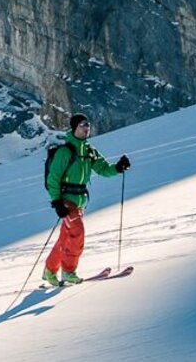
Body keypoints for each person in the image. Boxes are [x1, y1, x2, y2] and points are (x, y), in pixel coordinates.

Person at [43, 113, 131, 286]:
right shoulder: (65, 151)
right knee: (77, 234)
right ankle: (68, 272)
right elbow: (53, 178)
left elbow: (104, 169)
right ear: (74, 127)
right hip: (66, 202)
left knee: (65, 238)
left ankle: (49, 271)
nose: (87, 127)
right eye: (83, 124)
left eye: (88, 124)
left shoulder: (89, 151)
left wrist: (118, 168)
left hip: (80, 202)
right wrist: (57, 202)